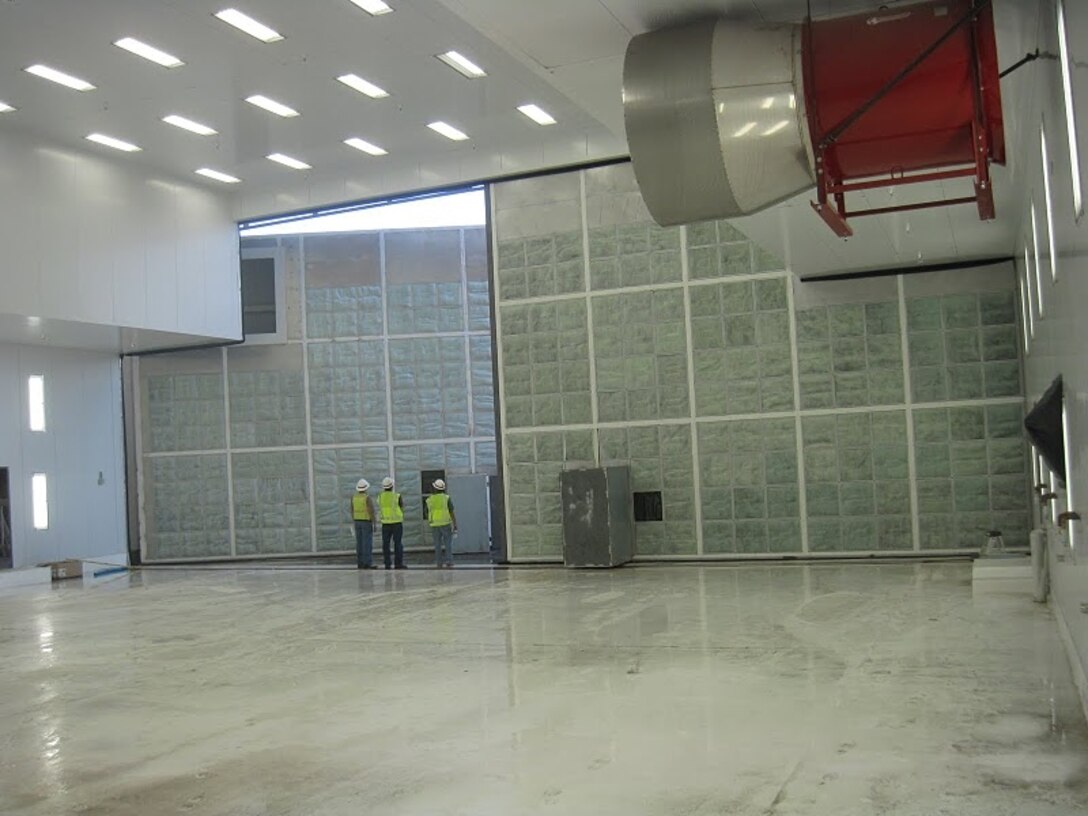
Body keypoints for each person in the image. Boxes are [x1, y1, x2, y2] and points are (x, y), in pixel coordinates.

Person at [426, 479, 458, 568]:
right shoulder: (446, 498)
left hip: (434, 524)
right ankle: (449, 561)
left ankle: (439, 562)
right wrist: (455, 525)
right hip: (445, 523)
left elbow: (426, 512)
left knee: (437, 544)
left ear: (435, 488)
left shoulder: (429, 499)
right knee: (448, 544)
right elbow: (451, 512)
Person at [378, 476, 406, 570]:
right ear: (392, 486)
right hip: (397, 522)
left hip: (385, 523)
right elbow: (402, 507)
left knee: (386, 544)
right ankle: (398, 564)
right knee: (397, 543)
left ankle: (387, 564)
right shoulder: (397, 496)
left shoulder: (380, 497)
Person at [350, 479, 377, 569]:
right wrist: (374, 523)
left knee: (359, 543)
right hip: (366, 521)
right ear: (366, 488)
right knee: (367, 543)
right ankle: (367, 563)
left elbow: (352, 510)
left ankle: (360, 562)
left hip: (357, 521)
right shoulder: (367, 498)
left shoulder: (354, 497)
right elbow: (371, 511)